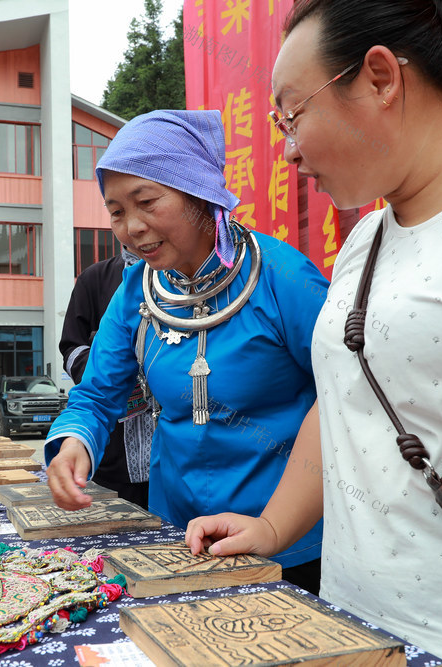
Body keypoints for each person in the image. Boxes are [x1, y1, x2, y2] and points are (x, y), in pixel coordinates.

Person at [186, 2, 442, 664]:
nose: (288, 149)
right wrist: (273, 524)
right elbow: (345, 402)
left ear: (381, 77)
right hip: (352, 631)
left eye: (293, 116)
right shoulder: (367, 239)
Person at [44, 109, 329, 594]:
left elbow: (345, 395)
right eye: (116, 211)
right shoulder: (136, 292)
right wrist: (74, 444)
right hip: (177, 532)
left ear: (199, 191)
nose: (131, 227)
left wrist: (284, 525)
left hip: (291, 539)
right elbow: (96, 395)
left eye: (147, 201)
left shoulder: (284, 276)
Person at [59, 248, 153, 509]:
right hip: (114, 448)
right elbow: (71, 346)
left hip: (175, 458)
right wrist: (107, 370)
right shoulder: (95, 278)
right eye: (117, 212)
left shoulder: (185, 281)